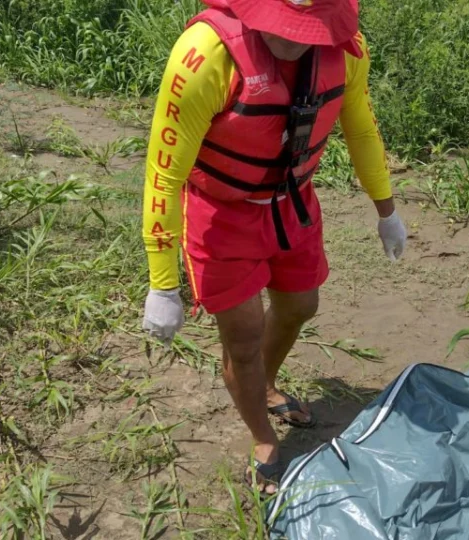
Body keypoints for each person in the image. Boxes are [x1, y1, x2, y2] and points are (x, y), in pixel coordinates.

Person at [140, 0, 406, 493]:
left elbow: (362, 127)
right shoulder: (204, 55)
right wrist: (163, 282)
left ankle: (263, 385)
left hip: (292, 203)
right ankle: (262, 436)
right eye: (285, 25)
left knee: (302, 305)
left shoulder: (346, 51)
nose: (295, 38)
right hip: (223, 214)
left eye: (309, 28)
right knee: (242, 339)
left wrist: (386, 210)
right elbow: (164, 170)